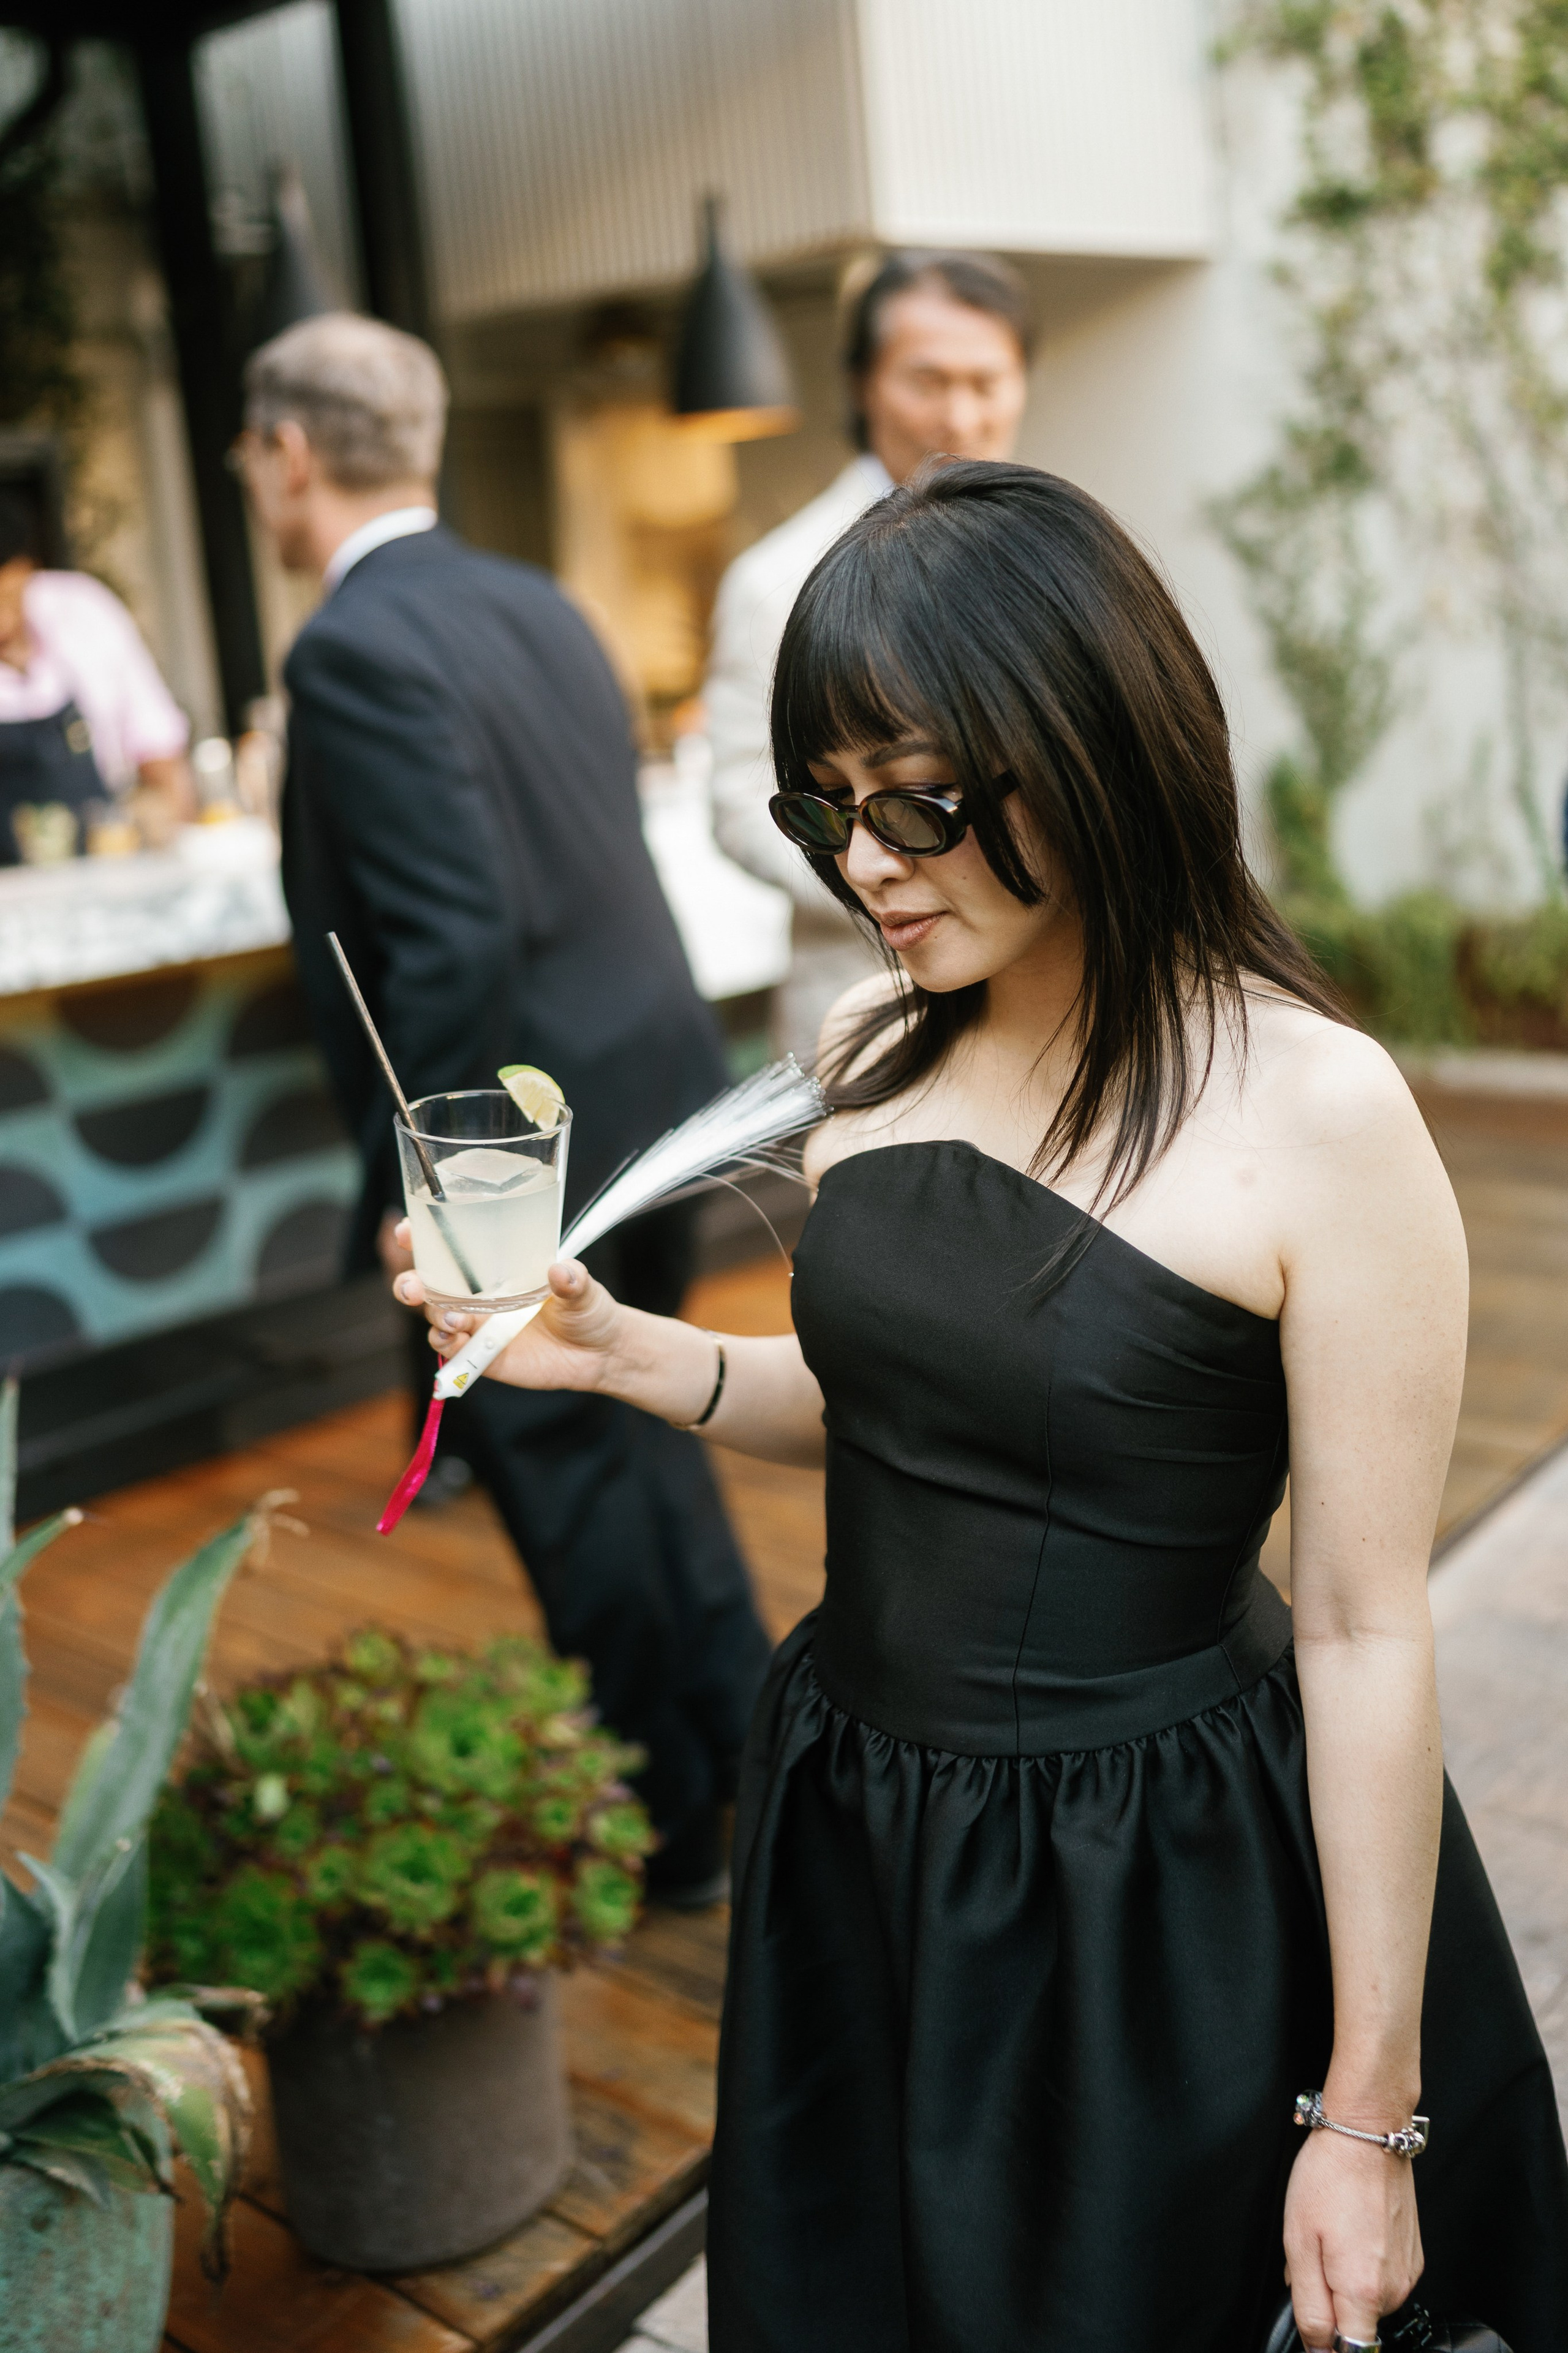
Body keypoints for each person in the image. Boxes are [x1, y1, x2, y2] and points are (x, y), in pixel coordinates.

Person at [403, 462, 1568, 2349]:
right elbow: (901, 1411)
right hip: (856, 1816)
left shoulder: (1315, 1109)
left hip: (1145, 1875)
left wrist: (1365, 2106)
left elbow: (1362, 1625)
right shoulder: (870, 1047)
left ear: (1092, 747)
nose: (867, 863)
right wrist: (626, 1351)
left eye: (920, 797)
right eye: (827, 809)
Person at [240, 312, 771, 1905]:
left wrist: (443, 1184)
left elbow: (456, 926)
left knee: (562, 1468)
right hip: (659, 1084)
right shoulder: (537, 600)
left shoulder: (343, 649)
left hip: (526, 1151)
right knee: (652, 1436)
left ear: (288, 454)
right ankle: (752, 1755)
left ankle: (669, 1824)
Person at [704, 249, 1031, 904]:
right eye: (928, 382)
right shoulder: (774, 580)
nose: (960, 418)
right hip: (874, 973)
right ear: (862, 385)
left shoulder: (1052, 555)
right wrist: (899, 873)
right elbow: (739, 804)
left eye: (986, 383)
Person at [0, 489, 194, 861]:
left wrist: (167, 825)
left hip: (104, 874)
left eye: (6, 597)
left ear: (27, 569)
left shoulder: (84, 613)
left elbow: (162, 754)